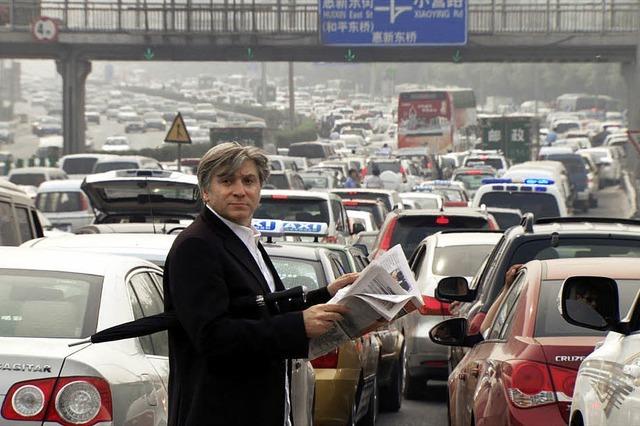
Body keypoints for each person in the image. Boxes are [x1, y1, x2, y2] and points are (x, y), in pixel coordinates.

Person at [163, 142, 357, 426]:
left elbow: (262, 309)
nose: (239, 190)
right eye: (226, 181)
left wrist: (326, 294)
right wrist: (298, 326)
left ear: (259, 188)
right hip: (220, 413)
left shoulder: (244, 239)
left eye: (249, 180)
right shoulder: (197, 245)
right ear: (205, 191)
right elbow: (212, 336)